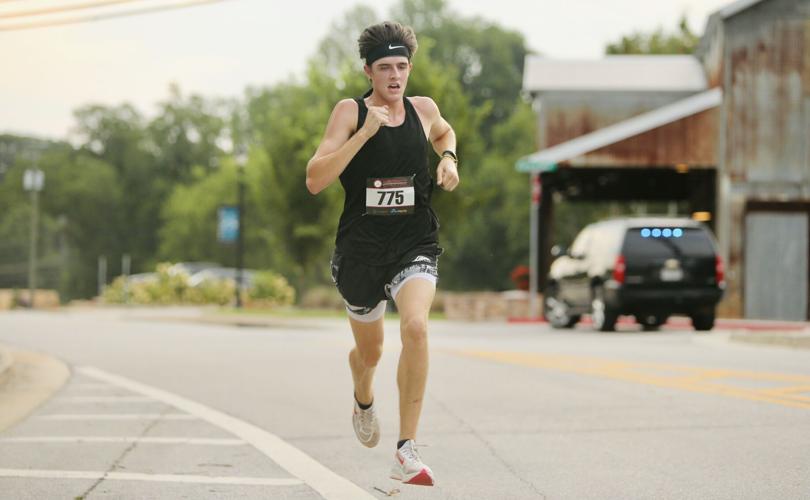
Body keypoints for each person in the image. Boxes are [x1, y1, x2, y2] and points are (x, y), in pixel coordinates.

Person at [305, 21, 459, 487]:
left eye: (402, 66)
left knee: (415, 326)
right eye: (385, 67)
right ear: (368, 71)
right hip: (361, 252)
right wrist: (363, 135)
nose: (395, 76)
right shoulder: (349, 112)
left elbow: (444, 131)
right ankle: (363, 395)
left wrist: (449, 159)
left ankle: (406, 449)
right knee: (369, 353)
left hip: (414, 242)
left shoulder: (423, 108)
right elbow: (315, 179)